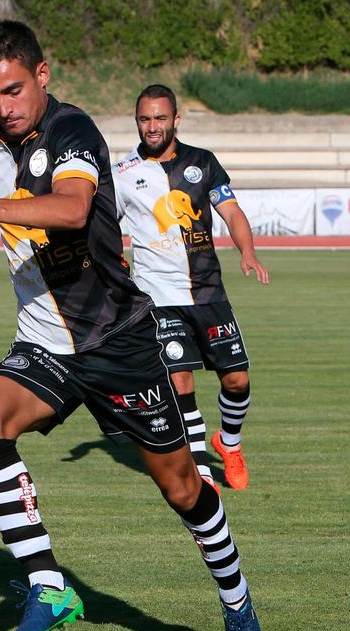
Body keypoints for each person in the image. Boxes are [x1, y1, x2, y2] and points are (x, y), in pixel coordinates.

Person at [0, 21, 261, 631]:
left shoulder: (73, 131)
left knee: (183, 488)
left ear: (43, 75)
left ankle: (237, 598)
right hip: (46, 345)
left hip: (117, 342)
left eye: (15, 90)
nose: (6, 107)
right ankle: (48, 583)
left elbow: (72, 208)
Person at [112, 85, 269, 490]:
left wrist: (247, 252)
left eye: (160, 118)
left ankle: (229, 444)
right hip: (157, 297)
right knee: (180, 378)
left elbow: (231, 211)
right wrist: (114, 258)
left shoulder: (203, 162)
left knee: (237, 381)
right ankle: (200, 470)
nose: (152, 126)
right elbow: (104, 224)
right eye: (145, 119)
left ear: (176, 120)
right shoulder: (123, 174)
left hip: (207, 290)